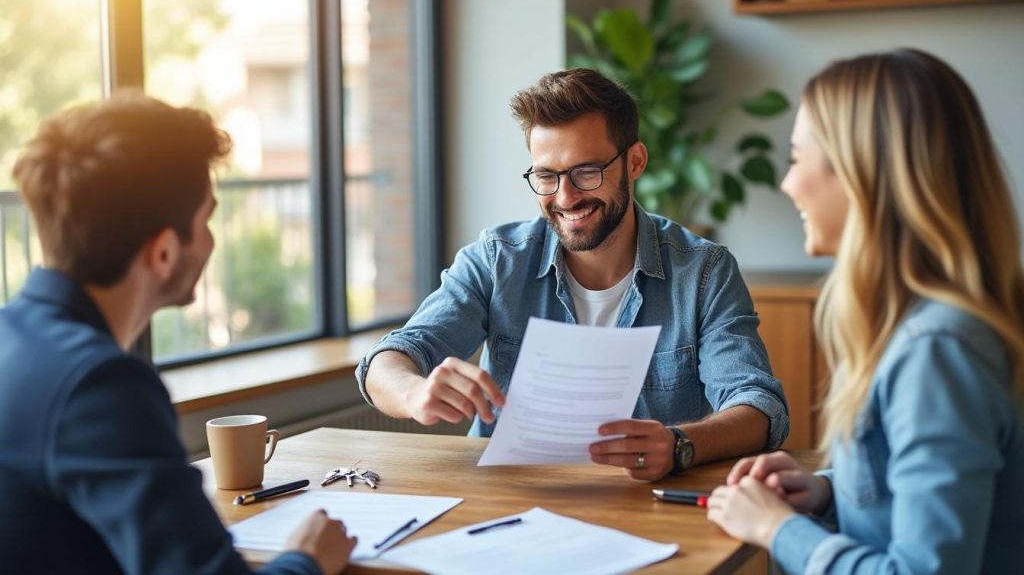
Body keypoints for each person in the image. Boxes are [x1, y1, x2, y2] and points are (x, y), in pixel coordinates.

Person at [356, 68, 789, 481]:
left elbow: (759, 406)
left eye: (586, 172)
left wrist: (680, 445)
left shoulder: (704, 272)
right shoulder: (497, 260)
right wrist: (413, 392)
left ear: (635, 162)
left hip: (644, 504)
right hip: (509, 500)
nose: (565, 198)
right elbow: (388, 360)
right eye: (547, 175)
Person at [0, 94, 356, 575]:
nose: (210, 239)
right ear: (164, 252)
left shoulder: (15, 341)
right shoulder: (99, 385)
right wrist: (307, 559)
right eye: (206, 219)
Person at [705, 48, 1024, 573]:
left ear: (860, 174)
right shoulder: (918, 329)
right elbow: (916, 494)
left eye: (796, 159)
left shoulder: (937, 351)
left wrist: (778, 529)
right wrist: (830, 491)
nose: (787, 184)